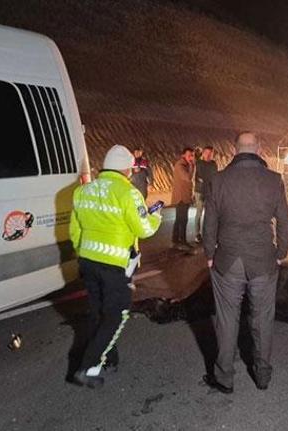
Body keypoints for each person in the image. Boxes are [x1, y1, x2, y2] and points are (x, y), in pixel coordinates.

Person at [202, 131, 288, 393]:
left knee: (227, 320)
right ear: (259, 149)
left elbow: (209, 223)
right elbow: (284, 222)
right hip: (263, 259)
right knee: (263, 318)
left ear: (235, 149)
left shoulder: (218, 180)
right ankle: (262, 375)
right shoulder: (274, 180)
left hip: (228, 260)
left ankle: (224, 378)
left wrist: (209, 254)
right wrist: (281, 253)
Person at [69, 145, 163, 388]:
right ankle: (88, 366)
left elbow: (75, 230)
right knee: (117, 315)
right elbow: (144, 228)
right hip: (114, 264)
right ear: (126, 170)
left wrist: (82, 254)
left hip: (88, 261)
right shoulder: (129, 193)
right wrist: (155, 216)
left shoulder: (83, 191)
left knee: (98, 311)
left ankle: (109, 358)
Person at [171, 147, 195, 251]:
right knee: (182, 219)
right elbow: (188, 178)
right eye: (189, 155)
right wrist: (191, 165)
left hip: (184, 196)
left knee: (179, 219)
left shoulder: (185, 165)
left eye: (192, 155)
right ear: (183, 155)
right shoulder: (180, 165)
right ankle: (182, 241)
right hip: (181, 197)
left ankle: (176, 240)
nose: (191, 157)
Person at [194, 146, 218, 243]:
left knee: (209, 214)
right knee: (199, 213)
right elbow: (200, 177)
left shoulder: (213, 164)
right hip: (200, 191)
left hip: (209, 191)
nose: (208, 155)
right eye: (206, 153)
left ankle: (207, 234)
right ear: (203, 153)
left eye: (210, 154)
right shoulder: (199, 163)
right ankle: (197, 234)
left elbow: (214, 178)